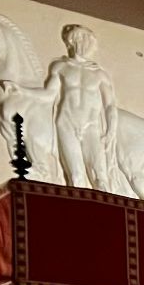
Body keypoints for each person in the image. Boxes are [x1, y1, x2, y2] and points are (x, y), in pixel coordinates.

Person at [43, 24, 119, 191]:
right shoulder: (61, 66)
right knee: (76, 175)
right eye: (82, 39)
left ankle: (106, 215)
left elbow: (110, 106)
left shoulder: (99, 73)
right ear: (72, 41)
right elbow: (49, 95)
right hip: (67, 124)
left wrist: (111, 131)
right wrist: (21, 92)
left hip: (91, 126)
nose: (87, 45)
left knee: (100, 176)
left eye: (89, 41)